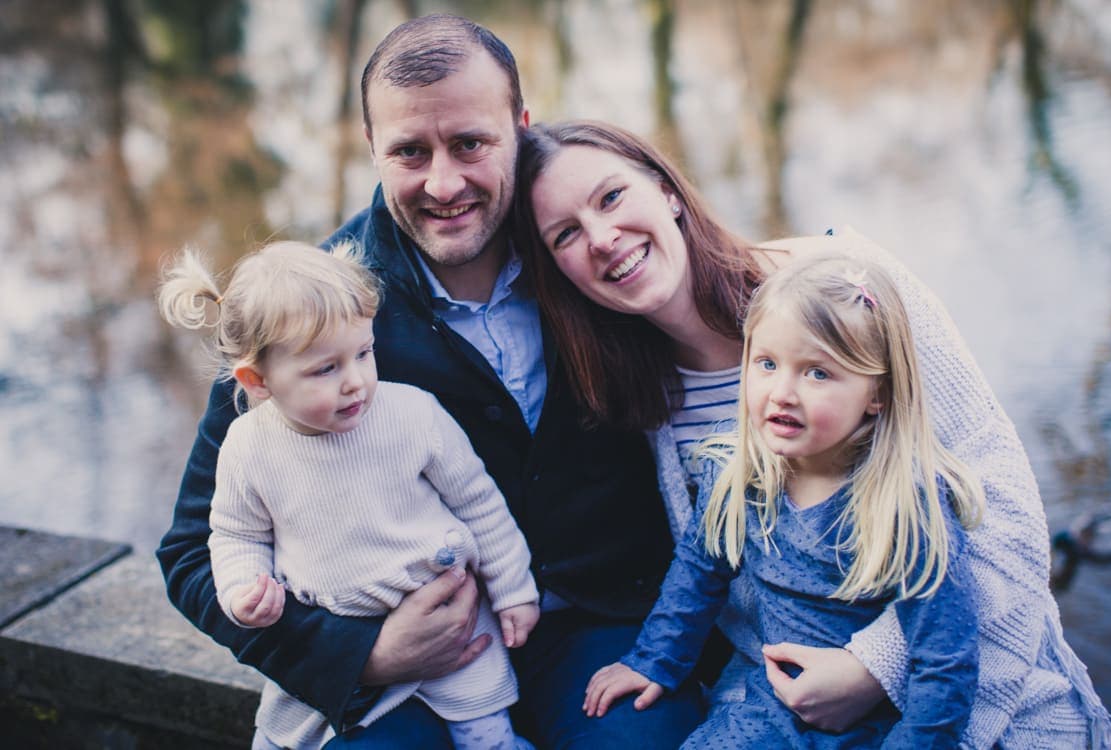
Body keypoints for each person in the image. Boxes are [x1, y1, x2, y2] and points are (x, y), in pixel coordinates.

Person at [157, 15, 712, 749]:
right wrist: (364, 655)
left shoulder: (587, 249)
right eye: (410, 152)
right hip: (405, 664)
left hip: (599, 629)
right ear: (371, 149)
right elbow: (195, 550)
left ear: (519, 124)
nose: (443, 182)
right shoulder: (314, 315)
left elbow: (727, 332)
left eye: (471, 144)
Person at [514, 120, 1111, 748]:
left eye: (611, 197)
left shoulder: (848, 295)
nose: (603, 238)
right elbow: (707, 566)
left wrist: (872, 669)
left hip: (951, 679)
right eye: (566, 234)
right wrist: (656, 660)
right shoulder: (639, 393)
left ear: (666, 190)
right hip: (776, 704)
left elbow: (1005, 518)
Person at [584, 252, 984, 747]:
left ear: (876, 393)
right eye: (767, 364)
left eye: (817, 373)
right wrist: (654, 660)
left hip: (877, 722)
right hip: (770, 711)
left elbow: (945, 661)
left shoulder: (903, 505)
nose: (782, 393)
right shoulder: (736, 474)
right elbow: (698, 572)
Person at [157, 240, 540, 749]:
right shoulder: (248, 446)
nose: (356, 382)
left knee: (487, 735)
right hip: (342, 643)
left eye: (364, 353)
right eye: (325, 369)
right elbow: (233, 534)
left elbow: (480, 505)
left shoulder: (414, 415)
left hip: (453, 630)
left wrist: (514, 590)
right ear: (258, 380)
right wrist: (240, 589)